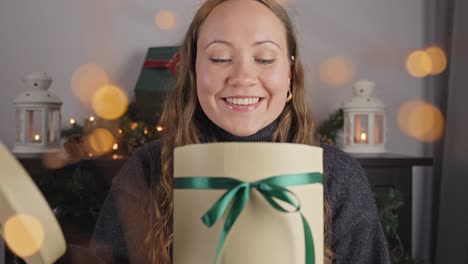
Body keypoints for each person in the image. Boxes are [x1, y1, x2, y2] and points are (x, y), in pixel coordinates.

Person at [89, 0, 391, 263]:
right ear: (193, 73)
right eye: (220, 58)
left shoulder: (337, 177)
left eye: (264, 58)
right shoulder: (146, 170)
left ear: (290, 74)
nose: (243, 77)